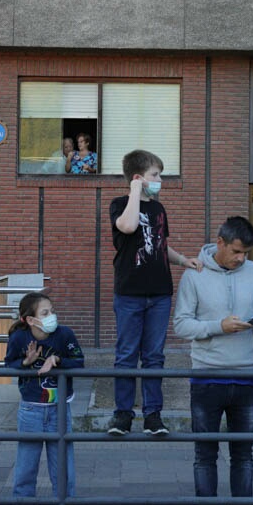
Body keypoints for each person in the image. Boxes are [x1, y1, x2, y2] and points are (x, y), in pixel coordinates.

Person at [173, 216, 253, 505]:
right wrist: (219, 326)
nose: (241, 258)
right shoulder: (194, 273)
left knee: (244, 455)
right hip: (207, 376)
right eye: (236, 251)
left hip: (245, 375)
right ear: (219, 243)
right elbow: (182, 325)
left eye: (245, 253)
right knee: (205, 455)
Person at [106, 149, 201, 436]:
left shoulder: (159, 210)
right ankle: (123, 415)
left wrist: (184, 260)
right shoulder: (120, 205)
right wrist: (135, 191)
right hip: (130, 293)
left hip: (159, 293)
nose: (160, 180)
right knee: (126, 354)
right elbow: (128, 226)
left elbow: (160, 245)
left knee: (154, 356)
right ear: (138, 178)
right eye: (155, 175)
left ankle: (153, 415)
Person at [5, 293, 88, 505]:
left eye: (52, 311)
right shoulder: (19, 337)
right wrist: (25, 361)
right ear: (30, 319)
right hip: (30, 410)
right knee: (24, 472)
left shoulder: (64, 335)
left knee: (63, 473)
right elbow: (9, 365)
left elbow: (80, 361)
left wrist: (57, 359)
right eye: (45, 313)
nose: (51, 316)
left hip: (59, 410)